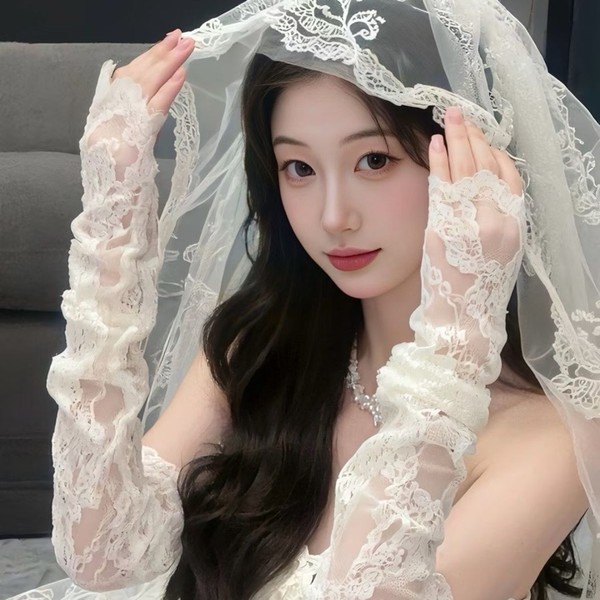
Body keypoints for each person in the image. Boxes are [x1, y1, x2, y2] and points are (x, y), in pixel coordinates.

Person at [9, 0, 600, 599]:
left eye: (374, 160)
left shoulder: (552, 439)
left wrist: (457, 338)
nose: (333, 216)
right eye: (298, 168)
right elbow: (103, 556)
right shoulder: (262, 347)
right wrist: (112, 223)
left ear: (479, 168)